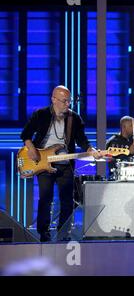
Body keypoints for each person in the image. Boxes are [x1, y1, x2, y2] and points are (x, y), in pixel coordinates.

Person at [20, 85, 102, 242]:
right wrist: (31, 148)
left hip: (65, 164)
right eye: (64, 101)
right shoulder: (41, 114)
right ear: (54, 99)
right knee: (45, 198)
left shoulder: (74, 118)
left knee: (67, 201)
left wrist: (91, 150)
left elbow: (82, 139)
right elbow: (25, 134)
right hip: (42, 162)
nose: (67, 104)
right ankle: (43, 233)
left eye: (69, 101)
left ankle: (63, 232)